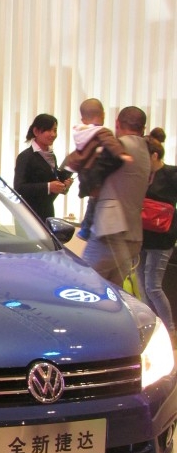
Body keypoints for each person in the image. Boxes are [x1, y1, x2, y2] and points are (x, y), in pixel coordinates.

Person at [82, 106, 150, 287]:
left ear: (117, 123)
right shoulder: (146, 151)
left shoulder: (117, 147)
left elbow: (90, 181)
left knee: (84, 287)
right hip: (133, 236)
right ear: (143, 128)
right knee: (113, 294)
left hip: (109, 232)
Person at [61, 98, 133, 241]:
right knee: (96, 201)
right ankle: (87, 228)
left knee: (93, 200)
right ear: (103, 114)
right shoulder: (102, 132)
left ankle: (85, 229)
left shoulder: (80, 131)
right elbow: (111, 143)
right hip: (94, 172)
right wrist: (122, 154)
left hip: (84, 171)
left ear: (83, 119)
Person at [136, 134, 177, 342]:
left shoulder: (171, 174)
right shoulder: (140, 175)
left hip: (162, 239)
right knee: (143, 287)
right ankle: (153, 329)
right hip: (141, 237)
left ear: (154, 155)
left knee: (153, 286)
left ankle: (170, 331)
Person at [13, 113, 74, 222]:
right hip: (29, 215)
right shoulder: (25, 156)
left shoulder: (51, 155)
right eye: (48, 130)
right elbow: (19, 187)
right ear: (36, 131)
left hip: (47, 213)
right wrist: (48, 187)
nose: (53, 134)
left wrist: (63, 186)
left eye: (55, 130)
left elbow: (51, 181)